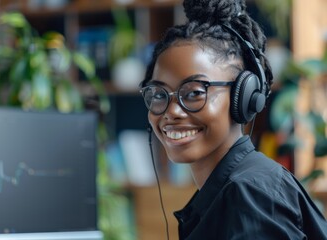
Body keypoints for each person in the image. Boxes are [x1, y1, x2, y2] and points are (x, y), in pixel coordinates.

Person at [139, 0, 327, 239]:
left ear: (243, 96)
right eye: (158, 94)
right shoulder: (227, 191)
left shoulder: (252, 195)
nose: (171, 111)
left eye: (195, 92)